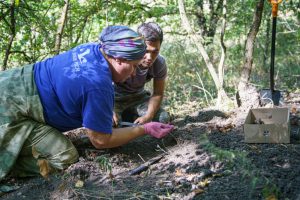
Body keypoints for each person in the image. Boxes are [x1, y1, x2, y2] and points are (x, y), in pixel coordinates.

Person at [0, 25, 174, 180]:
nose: (135, 74)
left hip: (13, 80)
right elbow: (101, 140)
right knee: (64, 157)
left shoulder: (94, 49)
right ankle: (8, 165)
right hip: (10, 106)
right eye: (134, 66)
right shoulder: (98, 85)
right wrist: (144, 129)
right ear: (119, 59)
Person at [113, 22, 170, 126]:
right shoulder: (123, 58)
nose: (149, 57)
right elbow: (101, 86)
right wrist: (108, 109)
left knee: (163, 118)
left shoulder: (159, 63)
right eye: (146, 51)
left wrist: (149, 116)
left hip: (139, 98)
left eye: (155, 52)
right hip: (114, 99)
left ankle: (132, 119)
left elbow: (158, 93)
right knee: (109, 124)